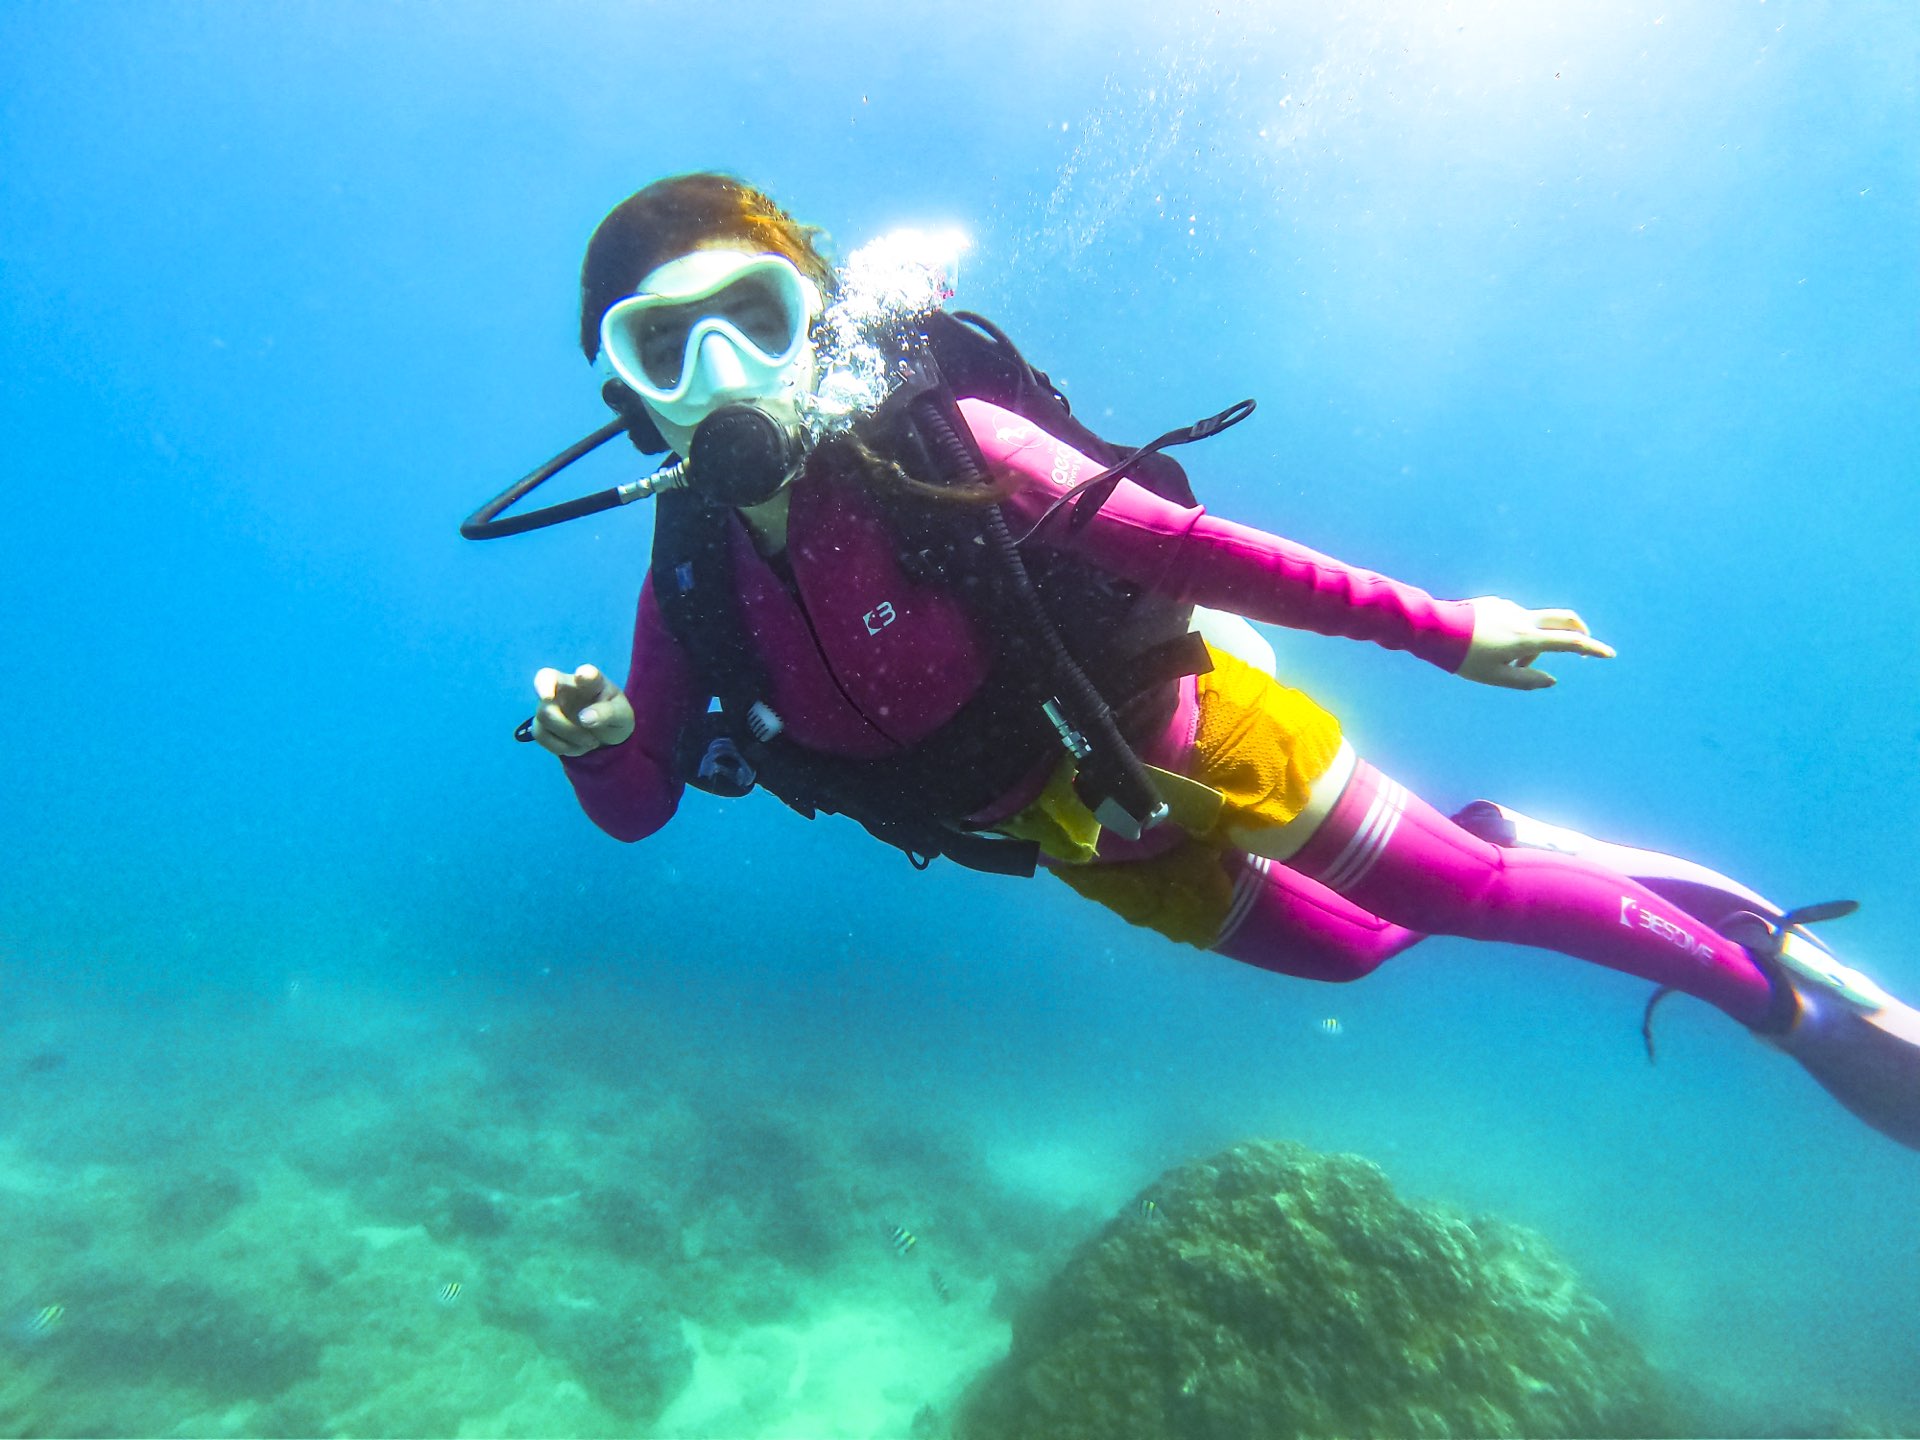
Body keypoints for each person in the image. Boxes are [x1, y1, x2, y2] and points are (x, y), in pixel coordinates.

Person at [517, 172, 1920, 1151]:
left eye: (755, 318)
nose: (721, 373)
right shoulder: (687, 581)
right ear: (624, 391)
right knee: (1362, 957)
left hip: (1188, 734)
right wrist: (597, 751)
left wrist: (1446, 631)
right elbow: (642, 805)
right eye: (665, 346)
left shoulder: (945, 451)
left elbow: (1199, 552)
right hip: (1081, 840)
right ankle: (1503, 836)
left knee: (1470, 900)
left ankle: (1779, 1000)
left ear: (818, 322)